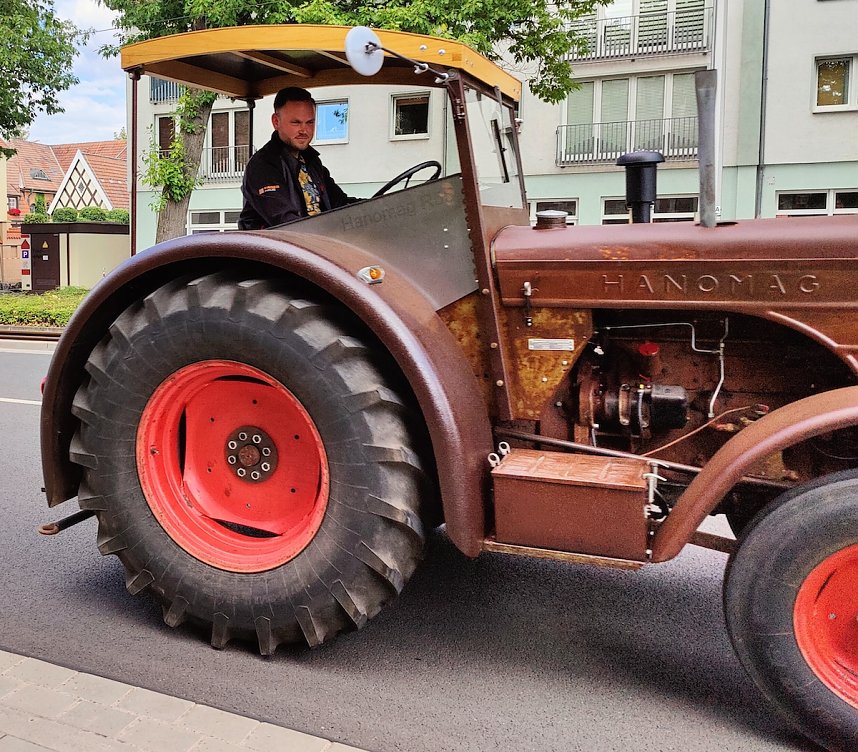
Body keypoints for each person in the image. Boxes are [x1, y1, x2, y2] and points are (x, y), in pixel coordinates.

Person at [238, 87, 357, 229]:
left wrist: (376, 206)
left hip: (316, 240)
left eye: (310, 122)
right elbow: (286, 222)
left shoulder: (312, 162)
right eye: (296, 122)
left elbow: (341, 204)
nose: (304, 130)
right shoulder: (263, 166)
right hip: (283, 243)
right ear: (276, 122)